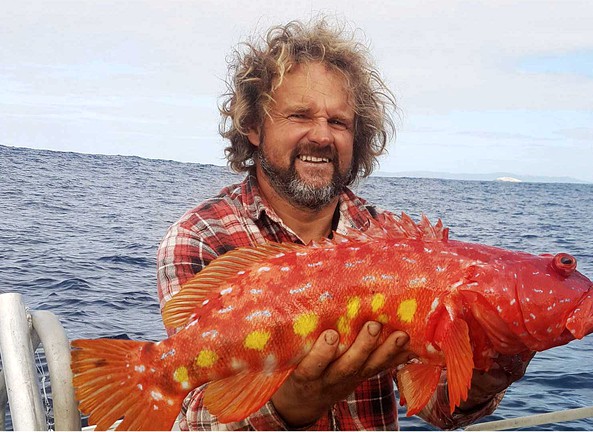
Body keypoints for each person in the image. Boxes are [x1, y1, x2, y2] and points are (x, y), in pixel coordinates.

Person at [156, 18, 522, 430]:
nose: (321, 136)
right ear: (254, 127)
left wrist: (483, 378)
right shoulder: (201, 236)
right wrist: (293, 404)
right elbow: (195, 413)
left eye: (338, 122)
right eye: (300, 115)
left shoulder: (388, 241)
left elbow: (436, 406)